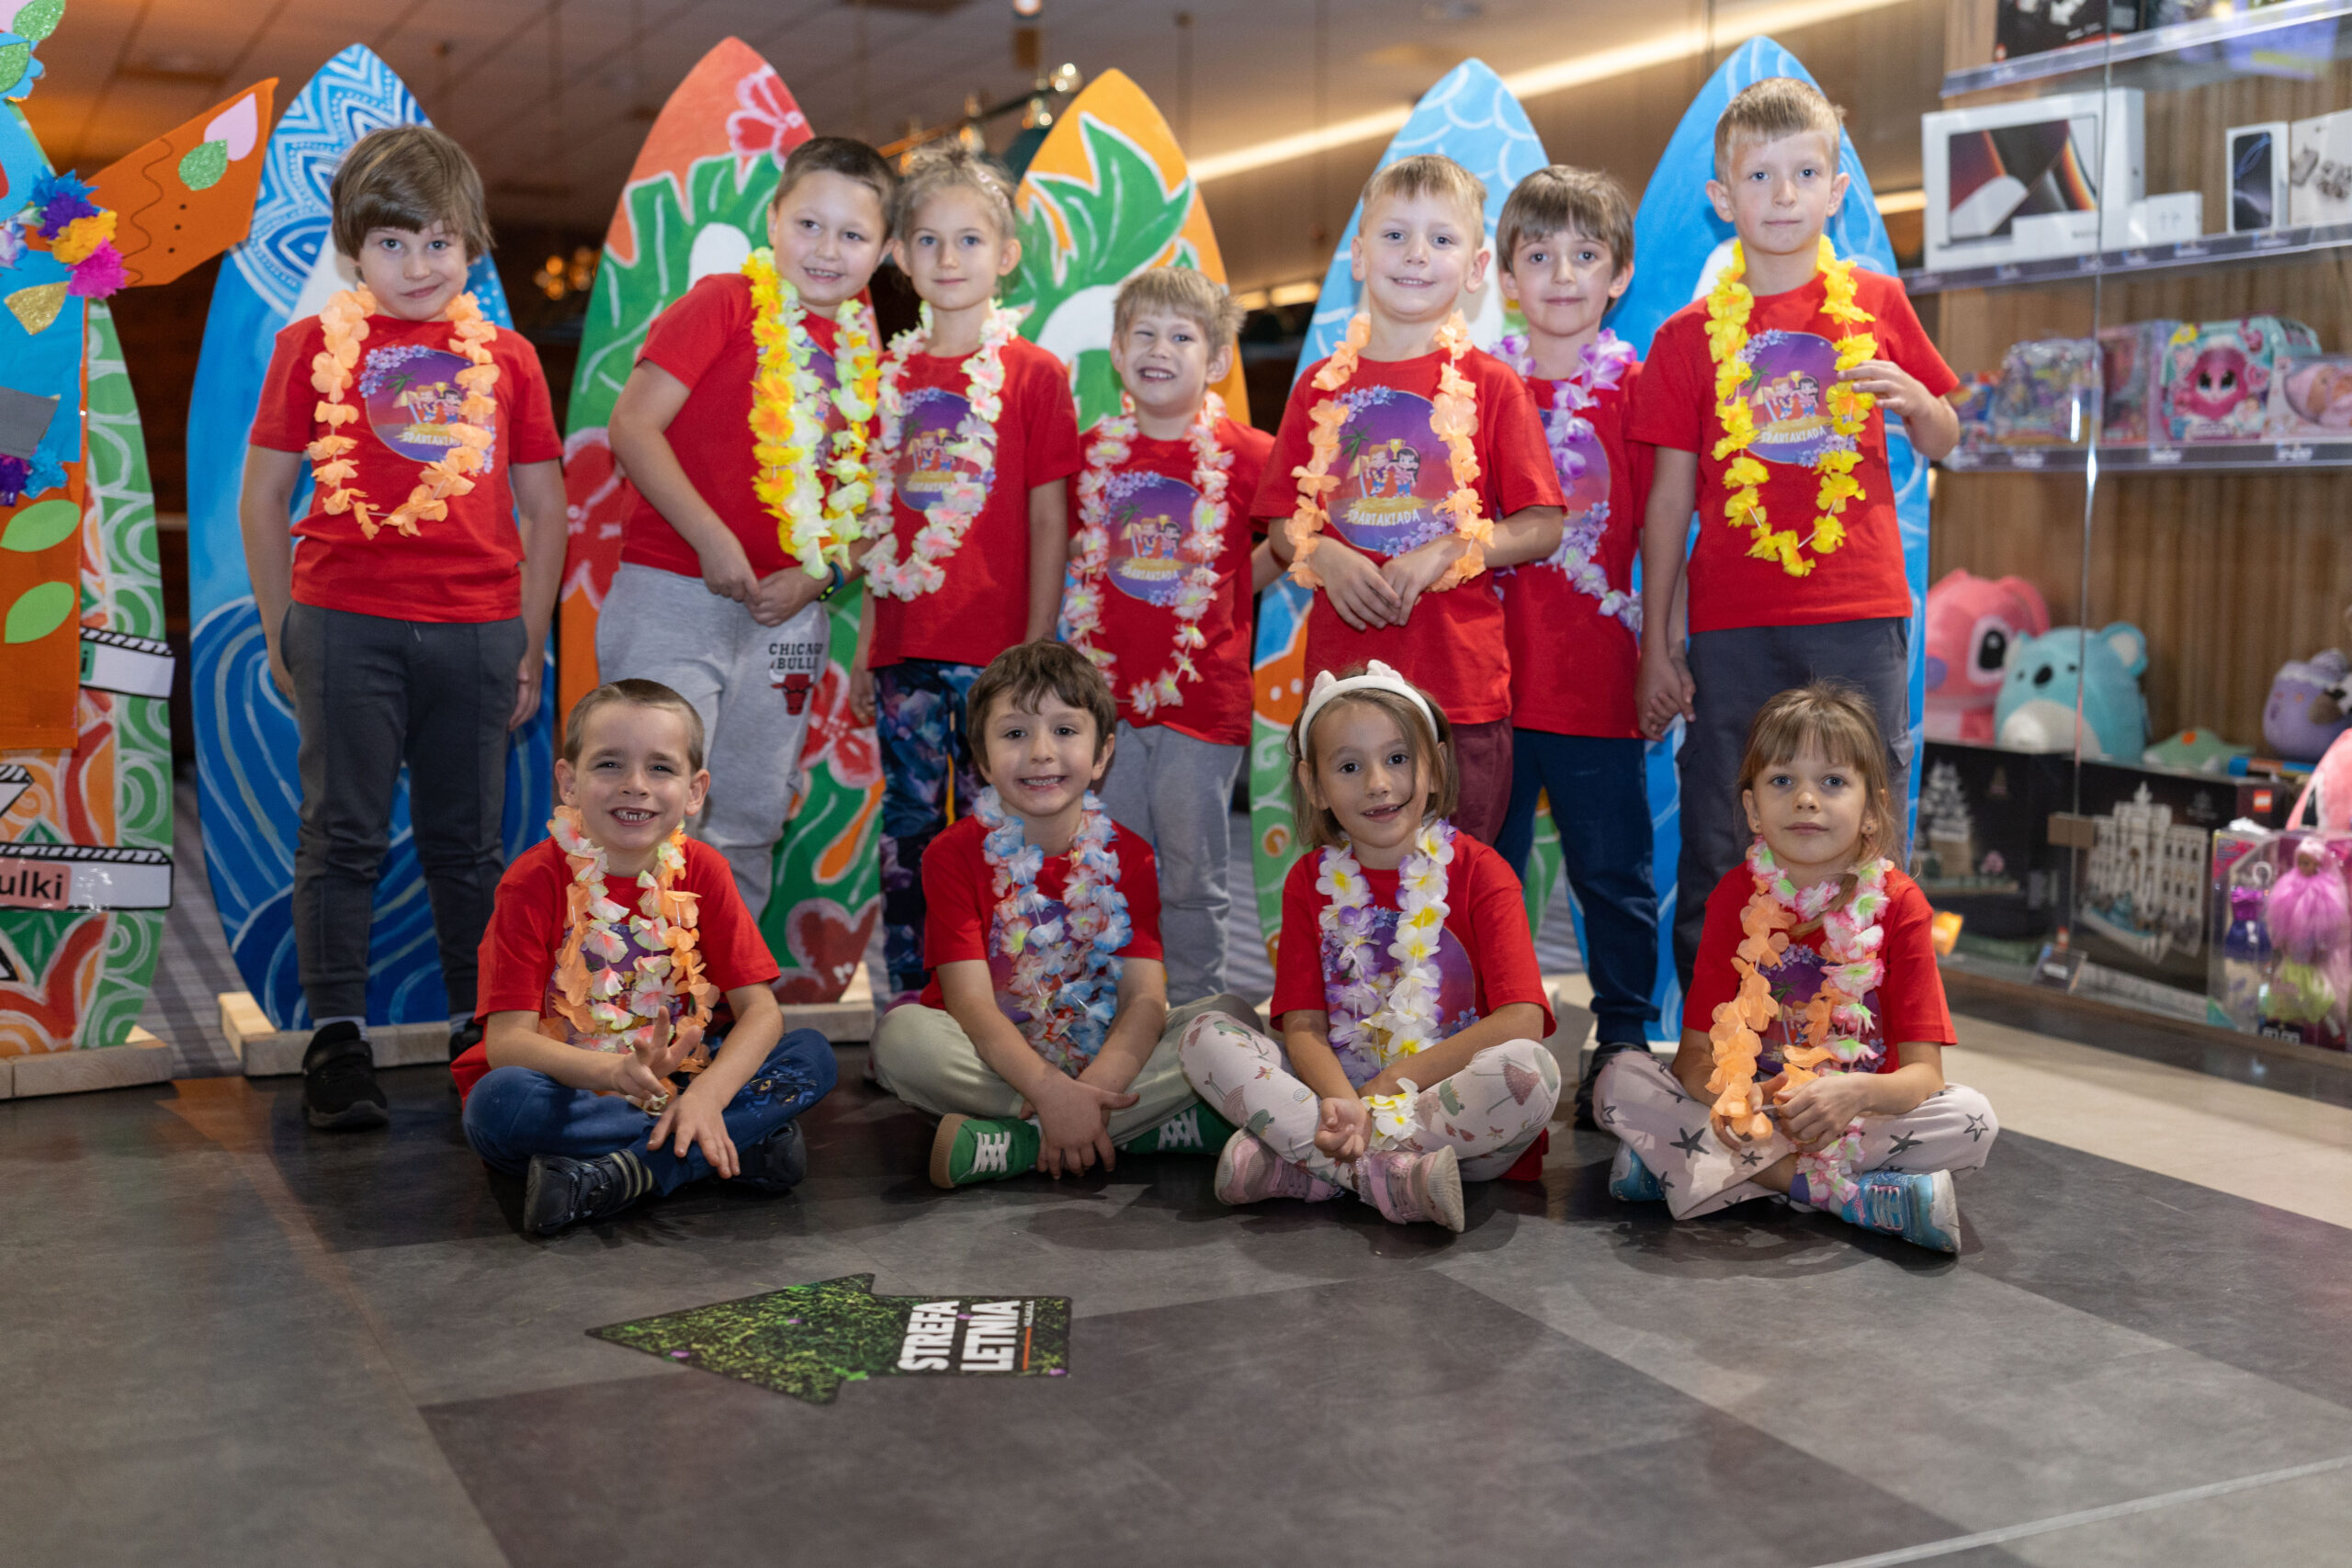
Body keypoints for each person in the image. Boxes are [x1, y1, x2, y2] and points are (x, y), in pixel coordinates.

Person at [240, 125, 566, 1131]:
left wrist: (530, 635)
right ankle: (337, 1040)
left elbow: (545, 507)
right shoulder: (310, 348)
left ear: (471, 247)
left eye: (438, 242)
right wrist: (282, 627)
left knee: (467, 844)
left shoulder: (509, 359)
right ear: (353, 250)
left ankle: (482, 1030)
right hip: (344, 623)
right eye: (392, 243)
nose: (418, 265)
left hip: (478, 629)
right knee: (340, 833)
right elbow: (263, 498)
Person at [1626, 77, 1960, 990]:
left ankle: (1858, 1035)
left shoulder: (1876, 302)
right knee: (1722, 827)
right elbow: (1667, 504)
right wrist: (1657, 646)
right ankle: (1713, 1043)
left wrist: (1917, 400)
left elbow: (1944, 438)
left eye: (1805, 173)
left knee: (1862, 827)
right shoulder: (1687, 338)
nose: (1783, 195)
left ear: (1836, 190)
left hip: (1857, 612)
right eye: (1760, 176)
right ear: (1721, 197)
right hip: (1732, 626)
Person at [602, 137, 896, 922]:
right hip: (672, 594)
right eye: (809, 224)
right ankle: (631, 990)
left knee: (751, 816)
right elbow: (632, 426)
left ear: (883, 252)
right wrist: (710, 537)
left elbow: (877, 517)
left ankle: (724, 991)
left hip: (788, 620)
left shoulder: (872, 364)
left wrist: (821, 578)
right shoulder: (725, 302)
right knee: (647, 808)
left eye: (852, 234)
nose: (826, 249)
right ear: (772, 220)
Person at [1595, 682, 1998, 1253]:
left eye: (1833, 782)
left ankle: (1685, 1168)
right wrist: (1737, 1099)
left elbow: (1924, 1077)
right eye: (1783, 781)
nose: (1806, 799)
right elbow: (1694, 1059)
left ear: (1871, 811)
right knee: (1619, 1080)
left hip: (1851, 1115)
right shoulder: (1735, 896)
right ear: (1753, 809)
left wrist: (1853, 1094)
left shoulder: (1900, 905)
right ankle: (1843, 1197)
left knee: (1971, 1118)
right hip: (1754, 1112)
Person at [1178, 661, 1563, 1233]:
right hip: (1340, 1097)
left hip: (1459, 1131)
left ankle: (1309, 1164)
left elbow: (1523, 1019)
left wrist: (1384, 1088)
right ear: (1314, 785)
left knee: (1530, 1073)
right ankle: (1381, 1176)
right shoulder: (1308, 881)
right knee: (1204, 1033)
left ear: (1435, 767)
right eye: (1350, 766)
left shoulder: (1482, 870)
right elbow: (1303, 1027)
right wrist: (1343, 1099)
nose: (1378, 783)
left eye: (1398, 758)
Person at [1253, 153, 1566, 843]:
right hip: (1344, 695)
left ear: (1476, 268)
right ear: (1359, 256)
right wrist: (1323, 555)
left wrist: (1451, 550)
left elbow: (1543, 525)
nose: (1417, 254)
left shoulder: (1493, 385)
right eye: (1395, 235)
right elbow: (1281, 525)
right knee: (1352, 888)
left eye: (1441, 239)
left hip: (1459, 692)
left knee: (1458, 886)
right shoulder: (1318, 387)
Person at [868, 641, 1258, 1188]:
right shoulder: (950, 854)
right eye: (1014, 733)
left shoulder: (1131, 854)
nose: (1041, 752)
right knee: (901, 1039)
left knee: (1233, 1017)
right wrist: (1051, 1092)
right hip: (997, 1063)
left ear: (1102, 755)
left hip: (1101, 1057)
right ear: (982, 759)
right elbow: (971, 1006)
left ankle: (1021, 1141)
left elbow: (1144, 999)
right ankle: (1133, 1127)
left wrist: (1092, 1088)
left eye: (1065, 730)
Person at [458, 681, 837, 1236]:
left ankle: (621, 1174)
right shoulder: (532, 880)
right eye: (609, 764)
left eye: (660, 768)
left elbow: (761, 1012)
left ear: (695, 790)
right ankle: (734, 1141)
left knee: (812, 1054)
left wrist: (706, 1095)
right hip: (578, 1086)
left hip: (686, 1077)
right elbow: (507, 1043)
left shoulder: (704, 870)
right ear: (569, 781)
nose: (635, 785)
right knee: (499, 1104)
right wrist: (615, 1072)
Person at [856, 146, 1083, 1005]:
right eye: (929, 240)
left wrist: (1036, 648)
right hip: (904, 649)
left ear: (1006, 254)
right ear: (901, 256)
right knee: (911, 828)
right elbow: (877, 525)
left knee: (1003, 826)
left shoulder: (1035, 373)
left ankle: (1007, 1002)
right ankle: (911, 1006)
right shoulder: (888, 378)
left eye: (970, 240)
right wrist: (866, 648)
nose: (948, 259)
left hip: (999, 655)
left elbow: (1049, 518)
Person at [1488, 164, 1660, 1123]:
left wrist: (1665, 650)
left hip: (1600, 680)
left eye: (1585, 254)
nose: (1561, 274)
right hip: (1489, 686)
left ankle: (1624, 1038)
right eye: (1539, 254)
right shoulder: (1476, 387)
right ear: (1506, 274)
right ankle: (1488, 1034)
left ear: (1618, 274)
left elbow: (1669, 531)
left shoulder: (1637, 389)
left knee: (1613, 875)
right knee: (1486, 871)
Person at [1064, 267, 1273, 1005]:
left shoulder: (1249, 453)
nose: (1160, 348)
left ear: (1215, 361)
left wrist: (1233, 583)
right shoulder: (1088, 456)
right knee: (1110, 867)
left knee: (1191, 873)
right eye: (1144, 334)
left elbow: (1291, 537)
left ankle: (1192, 1016)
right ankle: (1116, 1013)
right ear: (1119, 352)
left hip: (1202, 705)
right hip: (1105, 706)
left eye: (1181, 336)